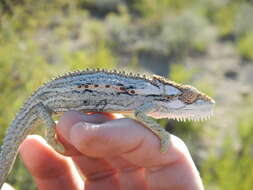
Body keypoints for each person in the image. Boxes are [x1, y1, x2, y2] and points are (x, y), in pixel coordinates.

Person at [5, 111, 205, 190]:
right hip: (48, 101)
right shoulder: (149, 97)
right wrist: (161, 134)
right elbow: (141, 115)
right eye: (187, 98)